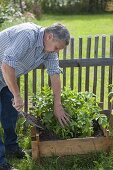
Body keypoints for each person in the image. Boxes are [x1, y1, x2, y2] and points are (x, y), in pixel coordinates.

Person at [0, 22, 70, 170]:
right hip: (5, 71)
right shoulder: (27, 35)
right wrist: (17, 95)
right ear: (50, 36)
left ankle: (12, 148)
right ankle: (1, 162)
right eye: (57, 47)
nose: (56, 52)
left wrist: (57, 104)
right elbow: (6, 65)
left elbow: (55, 73)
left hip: (4, 79)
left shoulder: (49, 51)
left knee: (10, 115)